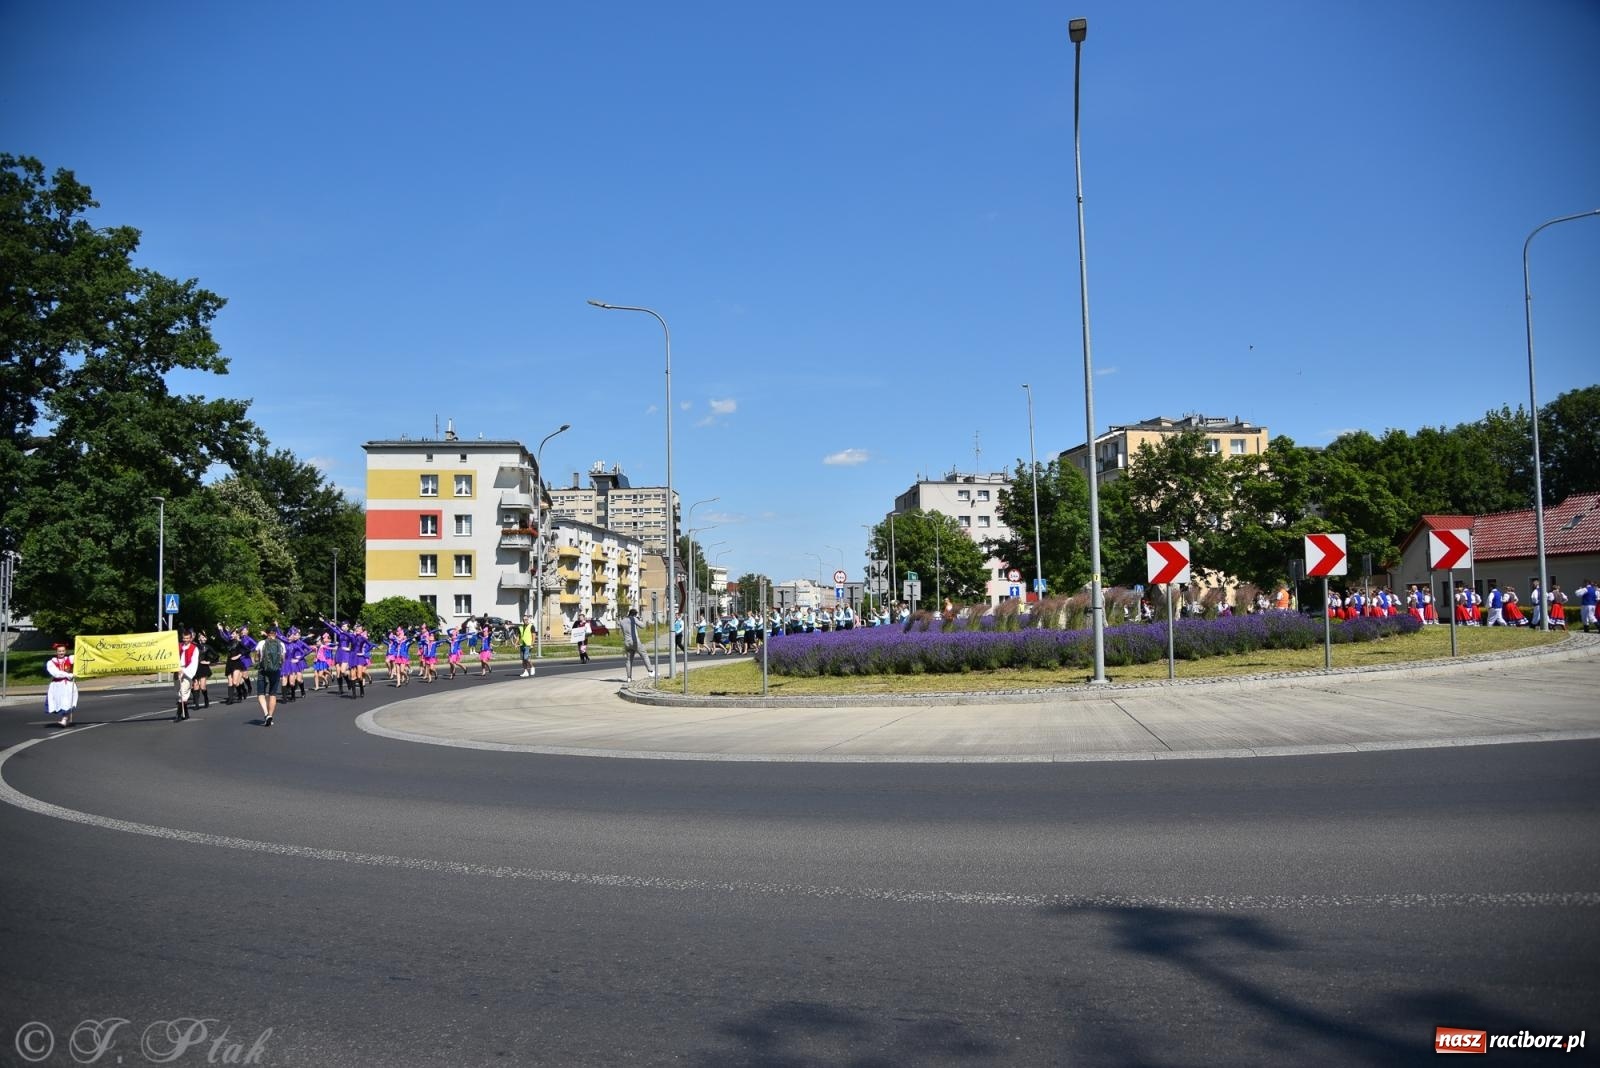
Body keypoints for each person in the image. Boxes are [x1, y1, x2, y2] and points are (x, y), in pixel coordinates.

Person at [256, 625, 287, 726]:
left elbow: (257, 659)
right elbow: (283, 659)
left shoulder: (261, 643)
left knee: (261, 693)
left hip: (263, 670)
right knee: (272, 694)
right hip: (276, 671)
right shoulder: (281, 644)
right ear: (276, 634)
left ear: (266, 633)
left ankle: (266, 714)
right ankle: (270, 715)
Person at [45, 640, 78, 728]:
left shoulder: (69, 659)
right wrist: (69, 675)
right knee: (58, 702)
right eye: (59, 651)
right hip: (57, 685)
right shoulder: (51, 662)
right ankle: (65, 719)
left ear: (65, 651)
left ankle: (64, 719)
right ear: (56, 652)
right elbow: (56, 673)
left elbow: (81, 657)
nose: (61, 653)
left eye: (63, 651)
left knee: (67, 701)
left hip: (68, 685)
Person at [620, 607, 653, 682]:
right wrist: (639, 619)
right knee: (644, 654)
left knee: (628, 660)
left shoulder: (622, 621)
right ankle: (650, 671)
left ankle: (629, 678)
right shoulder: (633, 619)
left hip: (627, 642)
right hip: (634, 641)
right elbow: (642, 626)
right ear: (634, 614)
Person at [175, 628, 199, 721]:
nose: (185, 640)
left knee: (183, 692)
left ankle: (178, 715)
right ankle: (186, 714)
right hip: (177, 670)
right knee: (179, 692)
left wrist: (185, 671)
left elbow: (194, 662)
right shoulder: (178, 646)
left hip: (187, 671)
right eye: (184, 638)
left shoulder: (194, 648)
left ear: (191, 638)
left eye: (187, 638)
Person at [193, 631, 213, 707]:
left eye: (205, 637)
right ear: (199, 638)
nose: (204, 638)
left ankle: (206, 698)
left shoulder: (207, 647)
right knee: (195, 685)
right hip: (195, 667)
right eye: (202, 636)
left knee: (202, 686)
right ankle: (196, 704)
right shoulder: (195, 646)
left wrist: (208, 662)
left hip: (203, 667)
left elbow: (216, 656)